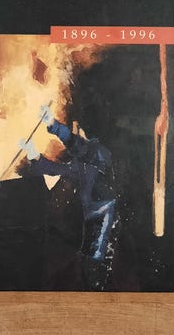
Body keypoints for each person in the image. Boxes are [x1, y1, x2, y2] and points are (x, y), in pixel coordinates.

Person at [19, 105, 117, 260]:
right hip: (88, 223)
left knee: (92, 260)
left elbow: (75, 145)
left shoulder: (98, 153)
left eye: (76, 129)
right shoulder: (85, 163)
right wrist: (33, 153)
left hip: (101, 224)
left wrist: (52, 124)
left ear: (82, 131)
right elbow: (58, 168)